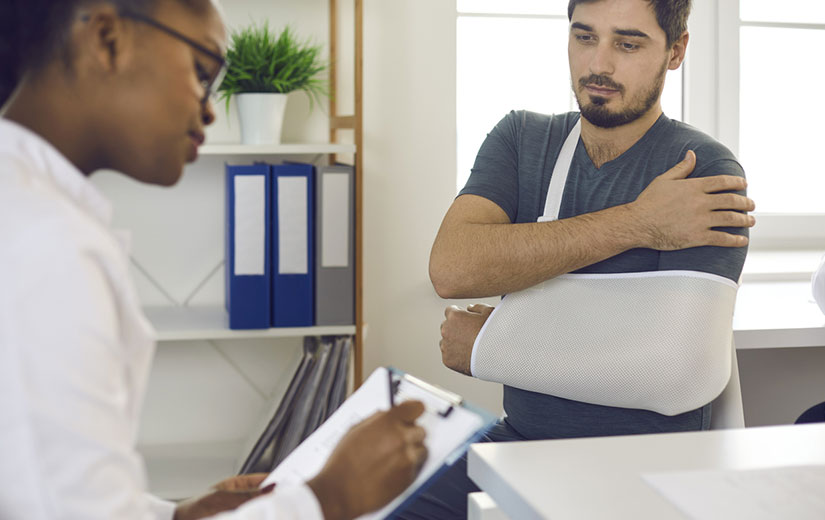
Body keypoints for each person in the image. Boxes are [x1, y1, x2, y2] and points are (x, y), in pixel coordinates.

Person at [0, 1, 428, 519]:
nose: (210, 109)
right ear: (108, 40)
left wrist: (179, 515)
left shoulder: (31, 209)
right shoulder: (46, 246)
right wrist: (328, 499)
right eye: (203, 73)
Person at [397, 0, 756, 518]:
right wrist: (638, 222)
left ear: (676, 51)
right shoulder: (521, 139)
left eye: (628, 44)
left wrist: (494, 347)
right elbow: (453, 270)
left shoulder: (702, 171)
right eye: (584, 37)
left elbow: (680, 375)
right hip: (519, 443)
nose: (599, 65)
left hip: (648, 468)